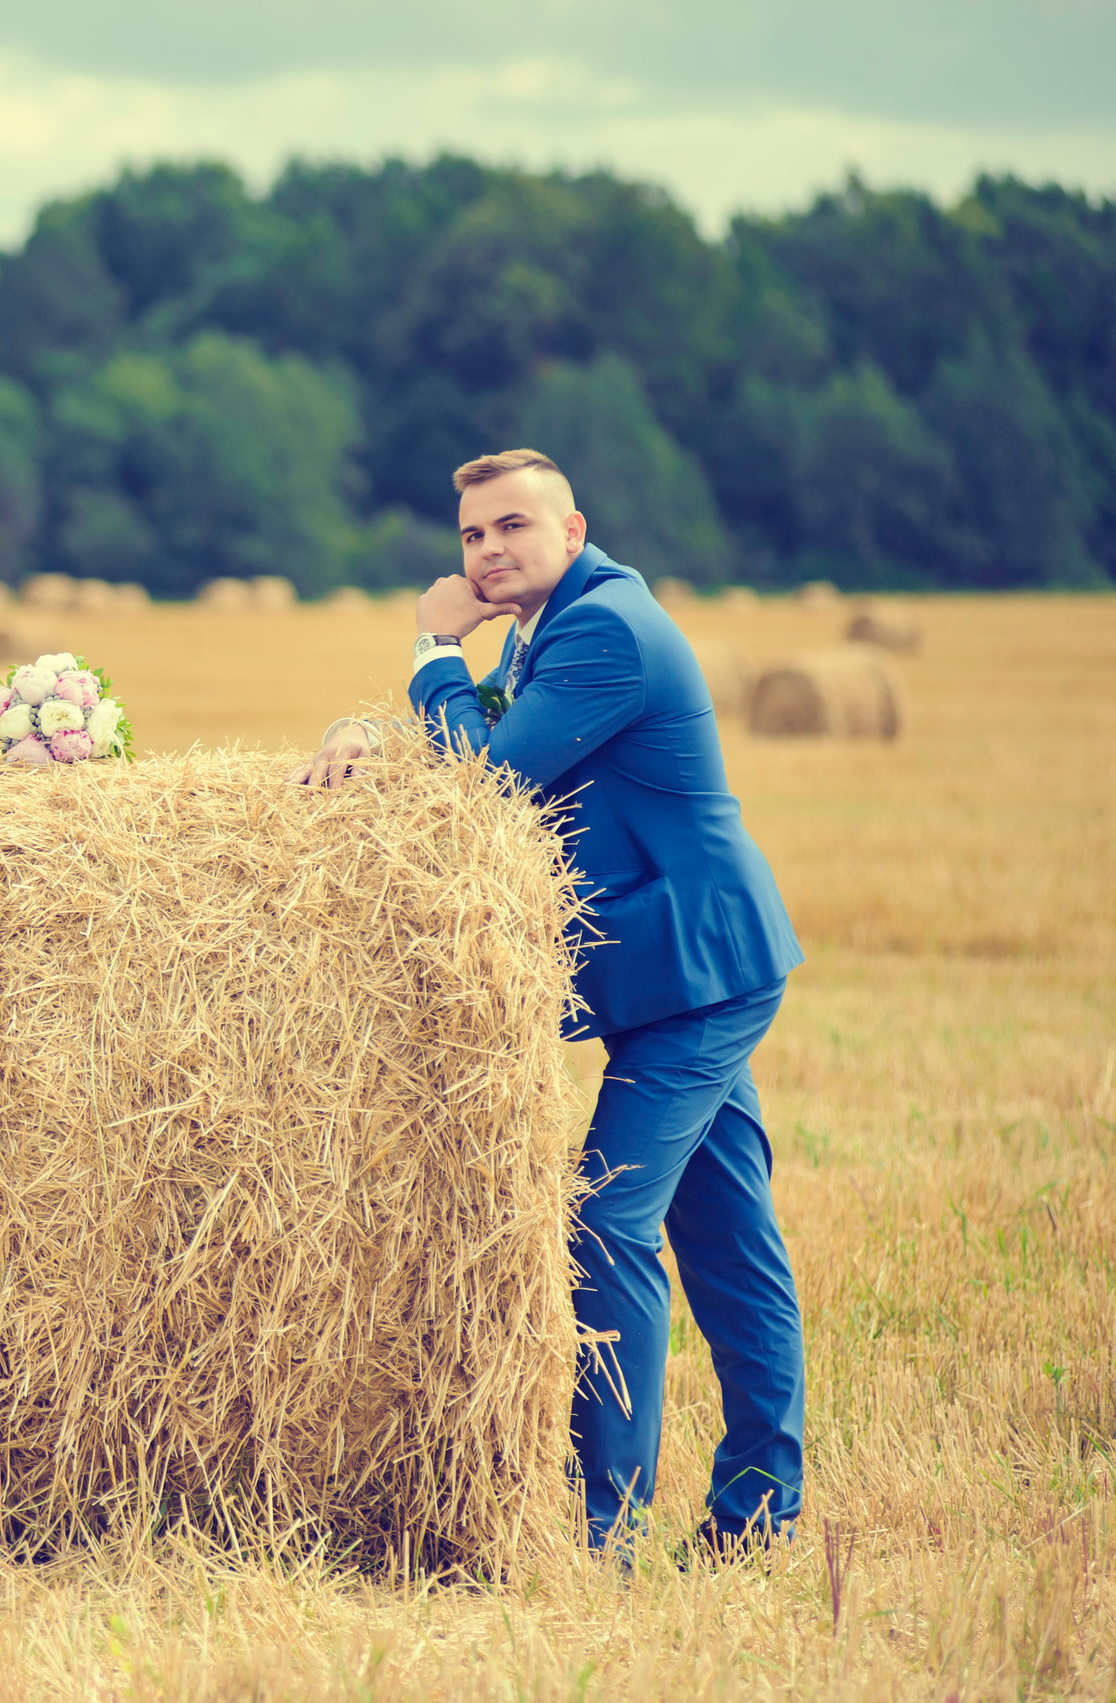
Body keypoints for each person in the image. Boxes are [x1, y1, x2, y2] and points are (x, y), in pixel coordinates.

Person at [296, 448, 807, 1557]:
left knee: (607, 1224)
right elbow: (475, 731)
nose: (487, 551)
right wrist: (375, 730)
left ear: (570, 530)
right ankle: (757, 1512)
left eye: (511, 527)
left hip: (696, 969)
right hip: (672, 967)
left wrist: (432, 646)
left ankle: (605, 1530)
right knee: (728, 1238)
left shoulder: (603, 628)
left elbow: (489, 773)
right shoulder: (551, 629)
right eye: (472, 534)